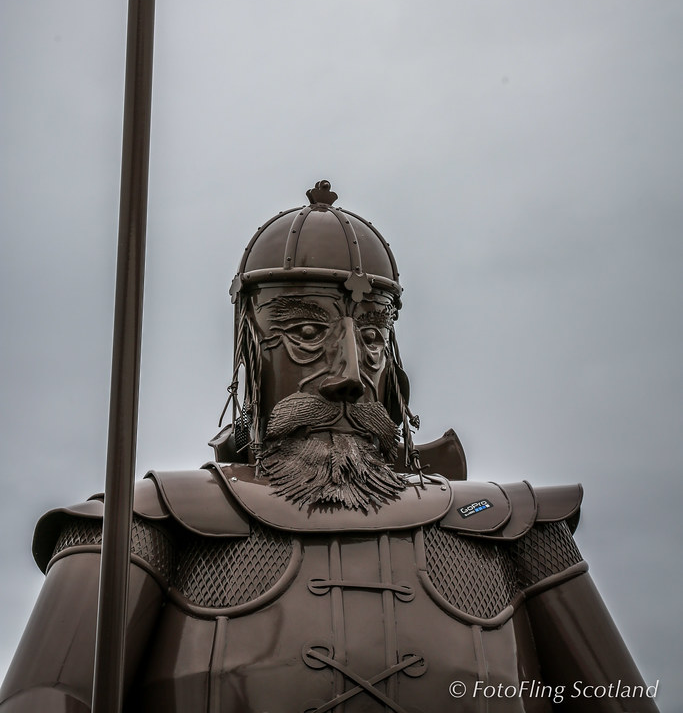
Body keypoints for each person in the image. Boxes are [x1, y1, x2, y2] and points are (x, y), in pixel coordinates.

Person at [0, 182, 659, 711]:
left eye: (371, 337)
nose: (349, 372)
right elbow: (45, 697)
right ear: (249, 351)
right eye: (306, 331)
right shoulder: (145, 527)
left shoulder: (516, 533)